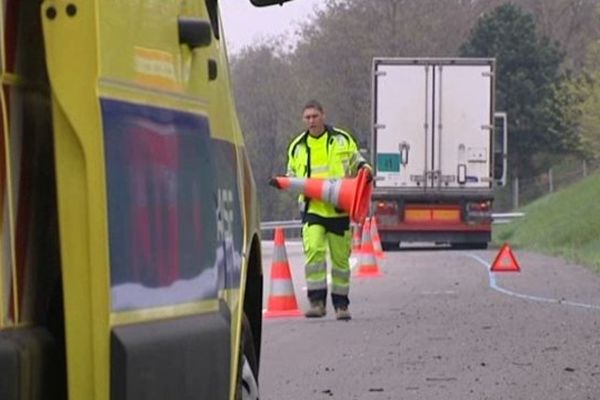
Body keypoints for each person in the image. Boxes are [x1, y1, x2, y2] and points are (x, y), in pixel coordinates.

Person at [284, 100, 371, 320]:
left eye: (315, 116)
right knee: (314, 251)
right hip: (313, 209)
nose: (311, 121)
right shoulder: (298, 146)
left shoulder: (341, 140)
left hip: (339, 208)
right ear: (303, 120)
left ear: (323, 115)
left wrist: (365, 169)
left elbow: (357, 162)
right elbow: (292, 175)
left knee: (341, 261)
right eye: (307, 117)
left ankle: (341, 305)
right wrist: (284, 182)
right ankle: (316, 302)